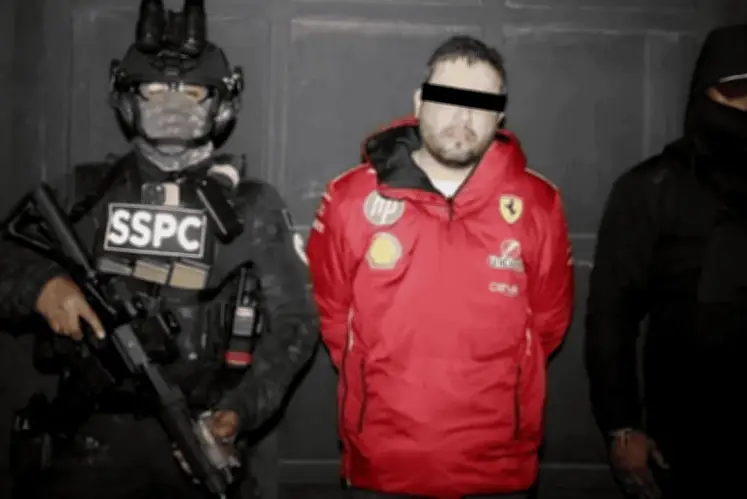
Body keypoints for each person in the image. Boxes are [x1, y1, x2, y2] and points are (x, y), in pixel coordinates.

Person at [0, 1, 318, 498]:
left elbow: (295, 323)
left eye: (191, 93)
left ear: (221, 105)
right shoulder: (84, 192)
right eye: (154, 91)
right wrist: (40, 286)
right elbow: (7, 258)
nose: (172, 106)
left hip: (200, 435)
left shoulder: (252, 206)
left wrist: (239, 412)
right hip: (92, 440)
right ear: (128, 100)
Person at [306, 35, 574, 498]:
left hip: (499, 473)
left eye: (480, 105)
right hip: (382, 468)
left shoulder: (538, 203)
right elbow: (331, 314)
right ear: (419, 103)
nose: (462, 119)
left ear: (499, 117)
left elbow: (548, 323)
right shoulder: (350, 197)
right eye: (448, 99)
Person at [584, 23, 747, 499]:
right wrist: (621, 425)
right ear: (707, 95)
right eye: (737, 94)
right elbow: (611, 315)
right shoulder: (651, 188)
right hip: (685, 440)